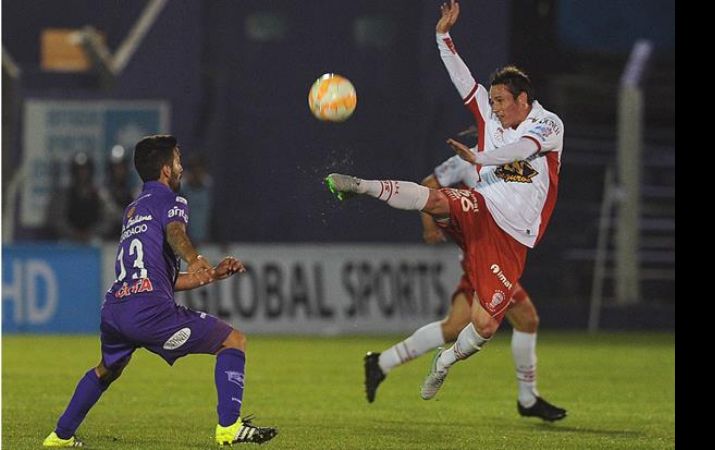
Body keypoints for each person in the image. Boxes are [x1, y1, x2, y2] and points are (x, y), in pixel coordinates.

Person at [325, 0, 564, 406]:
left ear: (523, 100)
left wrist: (481, 158)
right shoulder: (486, 125)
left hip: (510, 239)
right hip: (480, 208)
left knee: (482, 326)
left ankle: (444, 362)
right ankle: (359, 185)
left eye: (501, 101)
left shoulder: (548, 123)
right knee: (434, 199)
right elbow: (462, 80)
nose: (494, 108)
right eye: (492, 102)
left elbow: (525, 147)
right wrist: (442, 36)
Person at [43, 135, 278, 448]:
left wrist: (212, 275)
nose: (181, 168)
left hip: (116, 309)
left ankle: (59, 436)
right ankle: (229, 427)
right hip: (149, 313)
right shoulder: (172, 201)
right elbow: (175, 232)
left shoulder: (133, 210)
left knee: (107, 370)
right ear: (166, 170)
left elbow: (162, 279)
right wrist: (195, 258)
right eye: (178, 161)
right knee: (232, 340)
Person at [363, 164, 566, 421]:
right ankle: (527, 398)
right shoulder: (467, 159)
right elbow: (430, 185)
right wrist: (430, 226)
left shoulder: (514, 157)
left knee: (458, 326)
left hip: (495, 255)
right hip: (483, 258)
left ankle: (382, 363)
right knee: (514, 321)